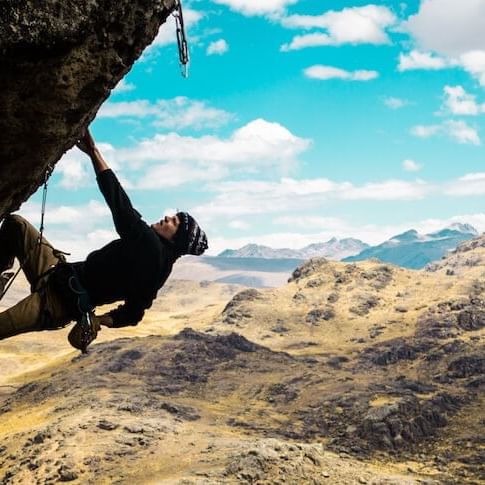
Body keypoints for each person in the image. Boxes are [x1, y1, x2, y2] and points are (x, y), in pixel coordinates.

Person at [0, 129, 208, 351]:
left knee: (15, 225)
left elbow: (119, 203)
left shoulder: (150, 247)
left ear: (175, 241)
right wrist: (99, 321)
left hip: (54, 305)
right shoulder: (161, 270)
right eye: (173, 217)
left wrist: (93, 152)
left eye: (174, 223)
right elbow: (134, 313)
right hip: (57, 274)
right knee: (16, 226)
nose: (167, 217)